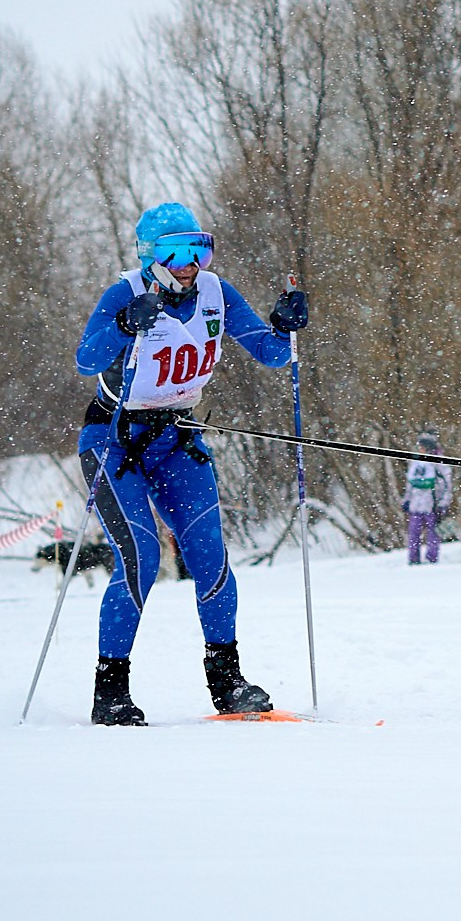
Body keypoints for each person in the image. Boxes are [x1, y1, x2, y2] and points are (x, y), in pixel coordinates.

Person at [73, 202, 308, 725]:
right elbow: (86, 360)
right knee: (143, 558)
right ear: (150, 255)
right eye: (175, 251)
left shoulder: (215, 293)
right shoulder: (126, 294)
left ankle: (228, 683)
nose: (188, 262)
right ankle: (110, 690)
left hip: (177, 437)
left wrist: (287, 325)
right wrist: (122, 326)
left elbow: (272, 353)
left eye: (198, 248)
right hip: (113, 439)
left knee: (210, 556)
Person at [400, 429, 453, 566]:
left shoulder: (439, 463)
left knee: (432, 533)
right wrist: (406, 500)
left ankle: (432, 558)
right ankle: (413, 558)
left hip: (432, 505)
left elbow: (447, 485)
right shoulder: (417, 462)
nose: (420, 449)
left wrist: (443, 503)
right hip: (415, 505)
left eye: (422, 447)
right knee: (414, 534)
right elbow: (410, 484)